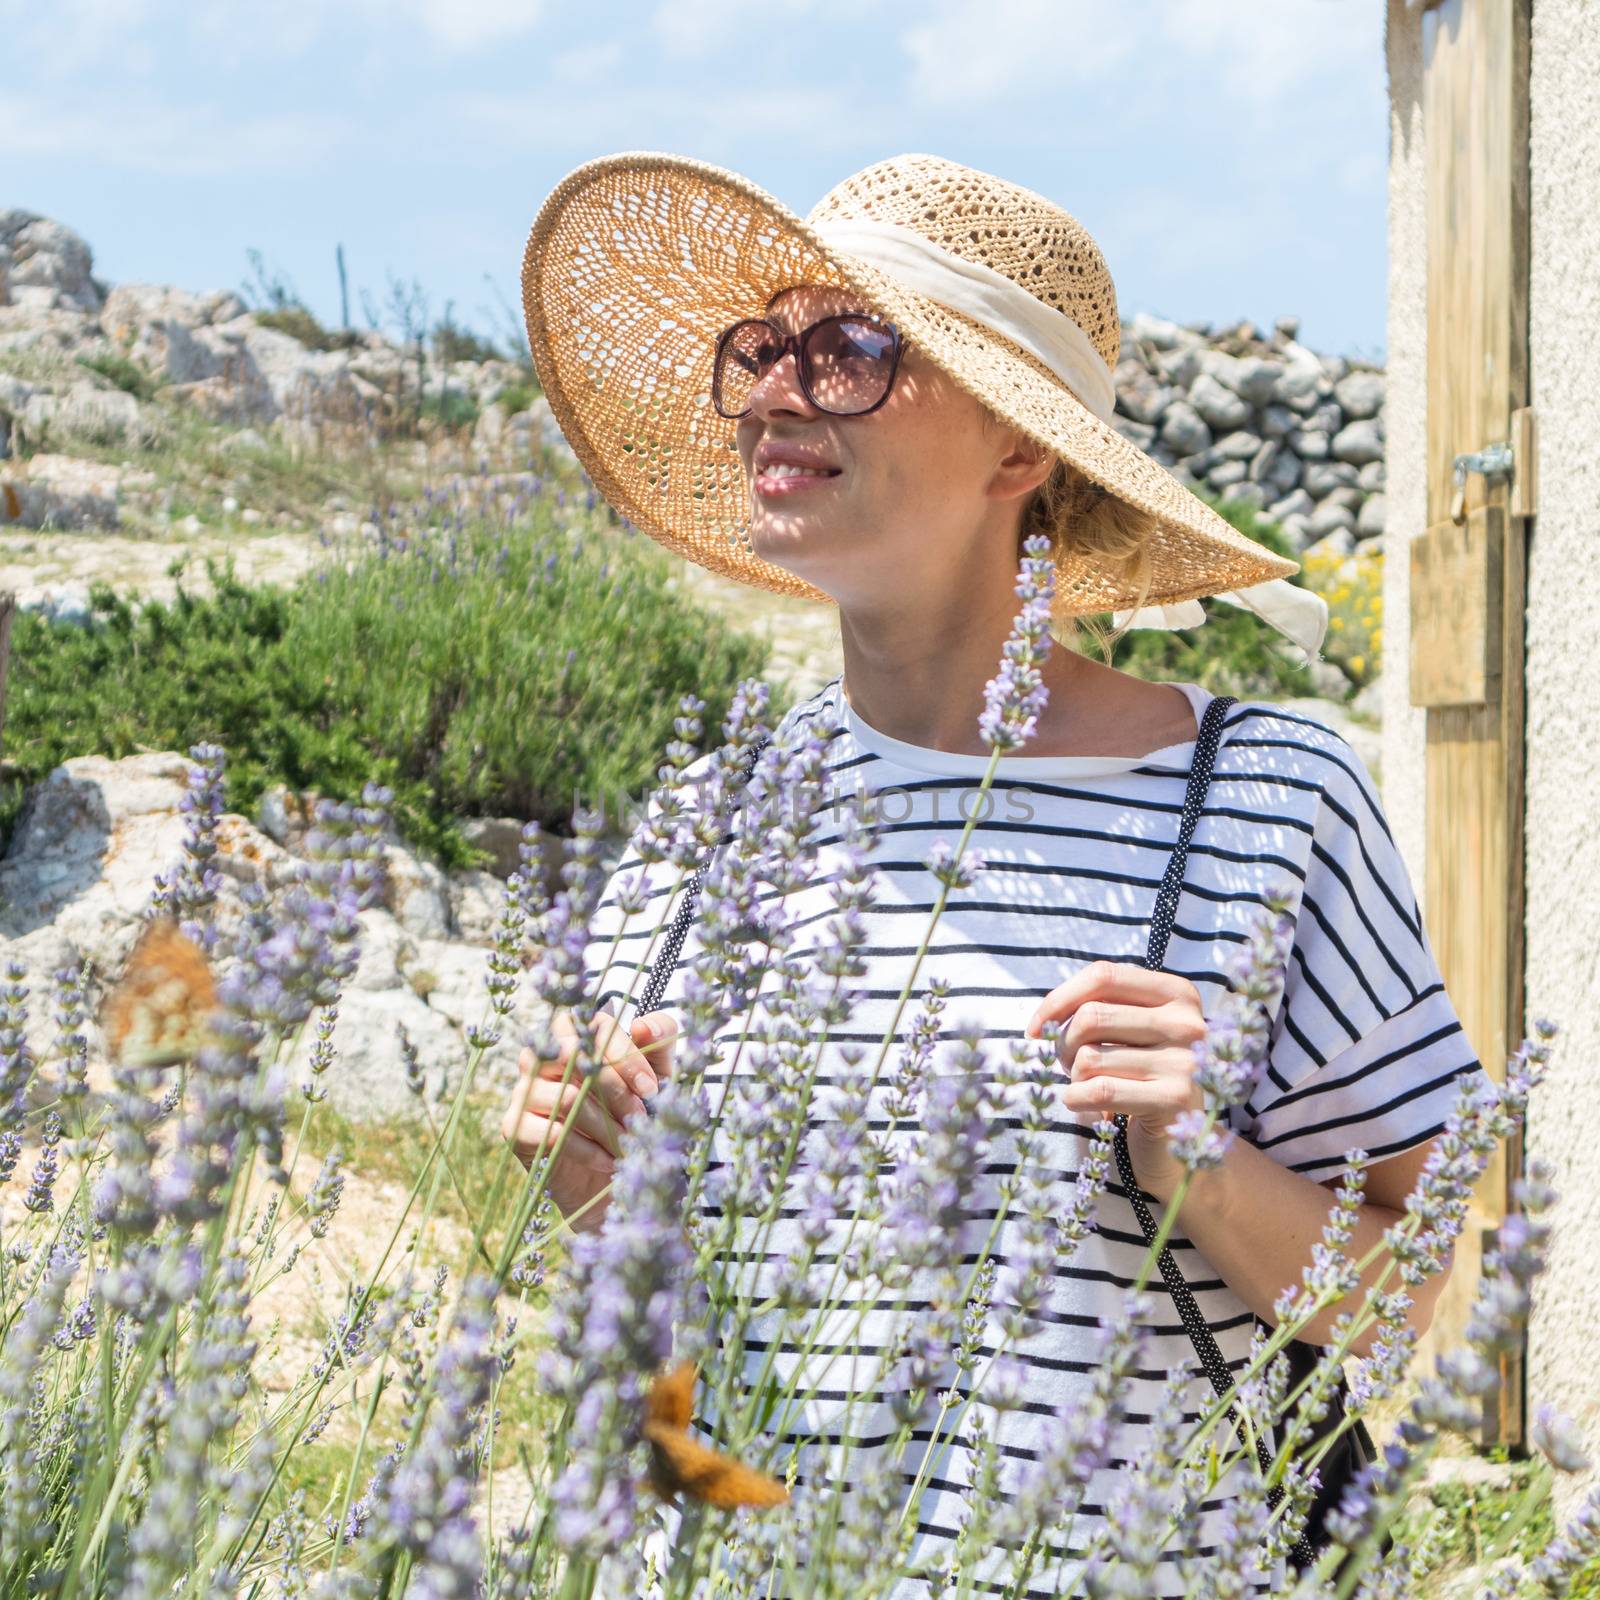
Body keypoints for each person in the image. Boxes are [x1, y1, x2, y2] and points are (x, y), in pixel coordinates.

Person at [502, 151, 1488, 1596]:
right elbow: (662, 1353)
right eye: (761, 349)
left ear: (1022, 449)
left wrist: (1201, 1168)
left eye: (847, 350)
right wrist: (587, 1188)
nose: (778, 390)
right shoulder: (709, 823)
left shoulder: (1262, 803)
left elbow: (1410, 1293)